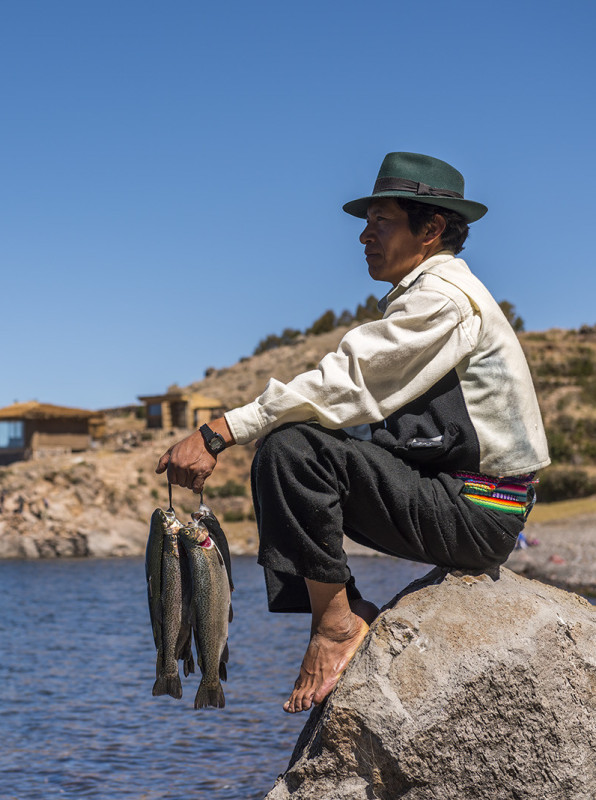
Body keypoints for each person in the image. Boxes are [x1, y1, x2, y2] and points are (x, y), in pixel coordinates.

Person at [156, 152, 550, 714]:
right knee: (292, 448)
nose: (364, 236)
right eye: (367, 223)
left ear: (431, 229)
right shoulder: (427, 294)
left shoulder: (444, 299)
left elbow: (346, 381)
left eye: (381, 222)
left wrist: (219, 431)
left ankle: (337, 625)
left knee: (291, 451)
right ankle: (342, 611)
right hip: (457, 497)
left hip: (478, 511)